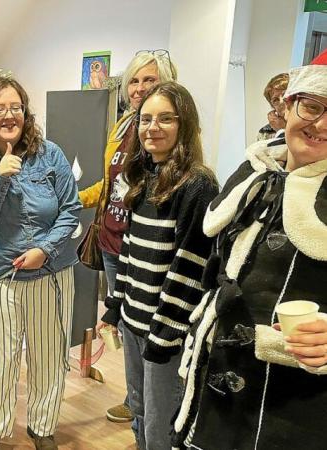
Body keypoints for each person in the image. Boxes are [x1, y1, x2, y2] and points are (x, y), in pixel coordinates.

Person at [172, 50, 327, 450]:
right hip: (217, 395)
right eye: (313, 106)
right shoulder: (254, 176)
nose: (322, 124)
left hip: (294, 412)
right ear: (289, 104)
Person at [99, 82, 219, 450]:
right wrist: (116, 306)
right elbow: (129, 252)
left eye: (165, 119)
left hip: (164, 334)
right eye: (146, 119)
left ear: (185, 124)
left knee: (161, 426)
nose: (153, 127)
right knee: (138, 410)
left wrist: (163, 337)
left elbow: (190, 270)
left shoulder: (198, 186)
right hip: (134, 324)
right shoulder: (143, 176)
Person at [0, 76, 81, 450]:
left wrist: (44, 249)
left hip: (52, 272)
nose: (9, 115)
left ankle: (43, 428)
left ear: (26, 113)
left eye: (15, 107)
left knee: (50, 357)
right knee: (0, 361)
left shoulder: (51, 154)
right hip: (5, 277)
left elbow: (71, 210)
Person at [79, 50, 178, 424]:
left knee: (148, 331)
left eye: (148, 80)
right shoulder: (122, 126)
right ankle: (135, 401)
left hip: (145, 247)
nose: (139, 88)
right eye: (134, 81)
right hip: (111, 239)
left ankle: (154, 413)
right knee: (121, 323)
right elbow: (113, 182)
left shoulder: (164, 130)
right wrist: (77, 198)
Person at [257, 73, 289, 141]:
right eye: (275, 100)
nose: (281, 101)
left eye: (285, 95)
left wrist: (282, 130)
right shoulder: (265, 133)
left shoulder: (308, 124)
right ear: (273, 107)